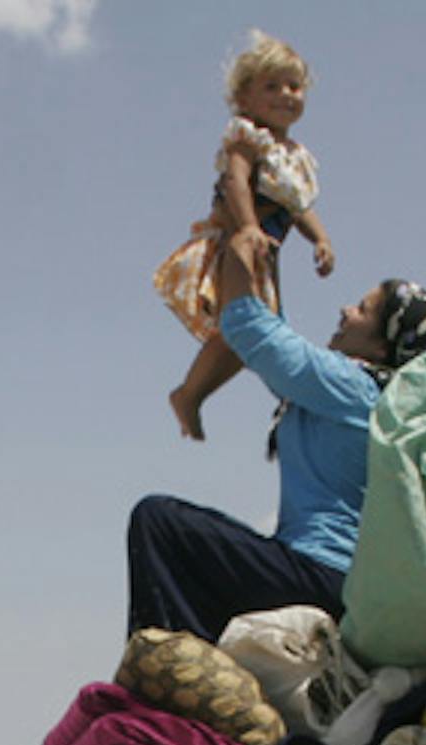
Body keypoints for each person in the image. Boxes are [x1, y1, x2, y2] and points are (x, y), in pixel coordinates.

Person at [127, 228, 426, 644]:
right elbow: (274, 337)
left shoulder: (353, 389)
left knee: (160, 522)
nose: (346, 310)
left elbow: (250, 327)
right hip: (336, 582)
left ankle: (162, 668)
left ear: (384, 344)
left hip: (320, 576)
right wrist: (268, 255)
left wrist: (236, 246)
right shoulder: (370, 400)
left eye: (363, 310)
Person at [154, 31, 334, 443]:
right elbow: (235, 182)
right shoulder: (248, 139)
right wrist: (249, 225)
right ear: (244, 99)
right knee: (242, 327)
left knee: (250, 336)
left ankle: (195, 394)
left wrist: (321, 240)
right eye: (271, 86)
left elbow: (299, 206)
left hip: (266, 252)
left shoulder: (293, 157)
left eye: (294, 86)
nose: (286, 94)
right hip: (237, 240)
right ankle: (190, 392)